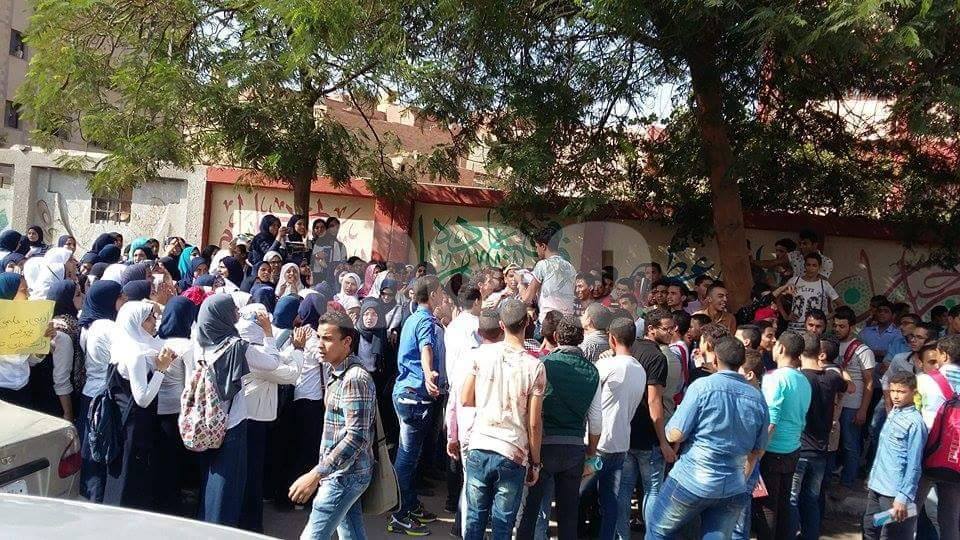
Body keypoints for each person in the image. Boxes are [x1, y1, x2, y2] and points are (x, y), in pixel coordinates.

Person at [646, 336, 768, 539]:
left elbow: (676, 433)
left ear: (715, 360)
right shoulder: (757, 397)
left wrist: (667, 431)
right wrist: (743, 477)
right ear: (741, 362)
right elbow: (758, 450)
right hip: (733, 484)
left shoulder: (702, 387)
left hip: (692, 479)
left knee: (658, 530)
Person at [182, 294, 281, 526]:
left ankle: (205, 525)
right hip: (231, 423)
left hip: (204, 421)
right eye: (233, 310)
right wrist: (268, 333)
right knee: (227, 487)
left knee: (209, 479)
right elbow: (272, 363)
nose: (237, 313)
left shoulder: (198, 342)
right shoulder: (237, 346)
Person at [460, 299, 546, 540]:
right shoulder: (535, 367)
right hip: (512, 451)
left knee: (474, 518)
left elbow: (465, 398)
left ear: (501, 325)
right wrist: (535, 463)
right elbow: (534, 422)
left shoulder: (481, 355)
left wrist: (490, 399)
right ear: (527, 323)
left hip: (480, 444)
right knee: (503, 523)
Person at [290, 310, 377, 540]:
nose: (320, 344)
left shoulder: (354, 379)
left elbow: (357, 437)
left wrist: (316, 474)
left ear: (347, 342)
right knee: (352, 534)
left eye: (327, 338)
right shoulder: (336, 370)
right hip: (342, 472)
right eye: (319, 337)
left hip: (345, 476)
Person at [516, 315, 602, 540]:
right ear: (581, 338)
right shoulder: (592, 371)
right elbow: (596, 420)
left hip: (543, 445)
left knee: (530, 509)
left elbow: (531, 412)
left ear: (555, 336)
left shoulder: (544, 365)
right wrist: (591, 452)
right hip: (574, 448)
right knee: (568, 515)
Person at [103, 301, 175, 510]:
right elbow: (143, 398)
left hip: (125, 419)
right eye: (149, 319)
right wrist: (161, 370)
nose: (154, 322)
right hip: (134, 424)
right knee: (130, 476)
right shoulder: (135, 353)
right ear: (136, 323)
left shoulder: (126, 344)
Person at [389, 275, 445, 535]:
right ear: (432, 295)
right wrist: (429, 375)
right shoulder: (424, 320)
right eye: (440, 292)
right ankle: (399, 515)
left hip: (408, 394)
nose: (443, 296)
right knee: (407, 458)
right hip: (414, 397)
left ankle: (409, 504)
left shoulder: (413, 317)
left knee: (410, 455)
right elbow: (426, 349)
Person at [787, 335, 850, 540]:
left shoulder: (799, 378)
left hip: (799, 448)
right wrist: (836, 367)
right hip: (821, 449)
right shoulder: (832, 377)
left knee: (792, 498)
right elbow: (849, 385)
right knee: (811, 499)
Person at [589, 317, 647, 540]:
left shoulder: (607, 366)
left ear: (611, 339)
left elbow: (590, 397)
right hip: (621, 444)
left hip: (598, 445)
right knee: (610, 501)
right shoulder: (640, 369)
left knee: (577, 495)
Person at [755, 331, 812, 540]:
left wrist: (757, 453)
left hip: (772, 450)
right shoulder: (803, 380)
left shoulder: (774, 378)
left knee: (767, 507)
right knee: (783, 503)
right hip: (793, 448)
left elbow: (771, 421)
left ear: (781, 348)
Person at [863, 372, 927, 540]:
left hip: (893, 492)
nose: (896, 396)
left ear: (913, 392)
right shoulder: (894, 412)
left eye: (901, 391)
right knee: (869, 528)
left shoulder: (915, 423)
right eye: (892, 391)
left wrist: (903, 497)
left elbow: (914, 464)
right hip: (877, 486)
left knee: (889, 534)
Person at [916, 335, 960, 540]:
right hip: (955, 457)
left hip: (926, 452)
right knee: (950, 516)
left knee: (910, 507)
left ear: (944, 355)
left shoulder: (924, 380)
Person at [833, 306, 876, 489]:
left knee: (850, 444)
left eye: (842, 326)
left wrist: (863, 409)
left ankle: (847, 481)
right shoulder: (831, 345)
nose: (837, 329)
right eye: (835, 325)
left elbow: (869, 382)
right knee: (834, 443)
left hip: (853, 404)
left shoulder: (863, 350)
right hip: (835, 403)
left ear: (851, 327)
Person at [520, 224, 576, 321]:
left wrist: (520, 283)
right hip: (567, 322)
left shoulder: (543, 265)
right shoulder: (570, 267)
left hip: (548, 322)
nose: (536, 250)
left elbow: (527, 299)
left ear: (543, 246)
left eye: (536, 246)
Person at [773, 253, 841, 331]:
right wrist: (785, 316)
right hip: (794, 328)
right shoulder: (795, 281)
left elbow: (840, 304)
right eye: (808, 265)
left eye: (814, 265)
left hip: (814, 330)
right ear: (804, 265)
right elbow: (778, 297)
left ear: (819, 267)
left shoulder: (824, 284)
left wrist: (825, 317)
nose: (810, 268)